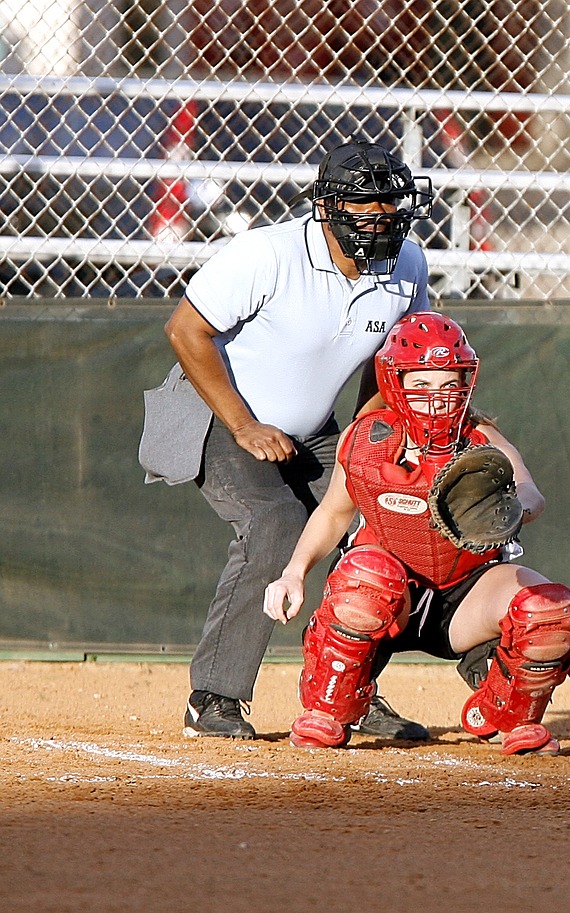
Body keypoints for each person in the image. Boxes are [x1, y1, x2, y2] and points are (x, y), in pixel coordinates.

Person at [150, 137, 438, 741]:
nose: (382, 218)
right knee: (277, 525)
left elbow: (391, 362)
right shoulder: (268, 253)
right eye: (366, 206)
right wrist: (244, 425)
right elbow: (185, 331)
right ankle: (214, 698)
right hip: (216, 413)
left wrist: (373, 438)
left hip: (312, 429)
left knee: (387, 520)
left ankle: (349, 690)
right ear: (328, 208)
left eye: (391, 204)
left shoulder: (407, 263)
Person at [262, 312, 570, 756]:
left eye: (449, 384)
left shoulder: (480, 438)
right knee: (366, 579)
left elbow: (530, 491)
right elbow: (334, 514)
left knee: (548, 611)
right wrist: (294, 573)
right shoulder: (365, 439)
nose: (438, 399)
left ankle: (509, 716)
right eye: (423, 385)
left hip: (462, 596)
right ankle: (330, 709)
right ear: (395, 383)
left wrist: (516, 507)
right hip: (388, 599)